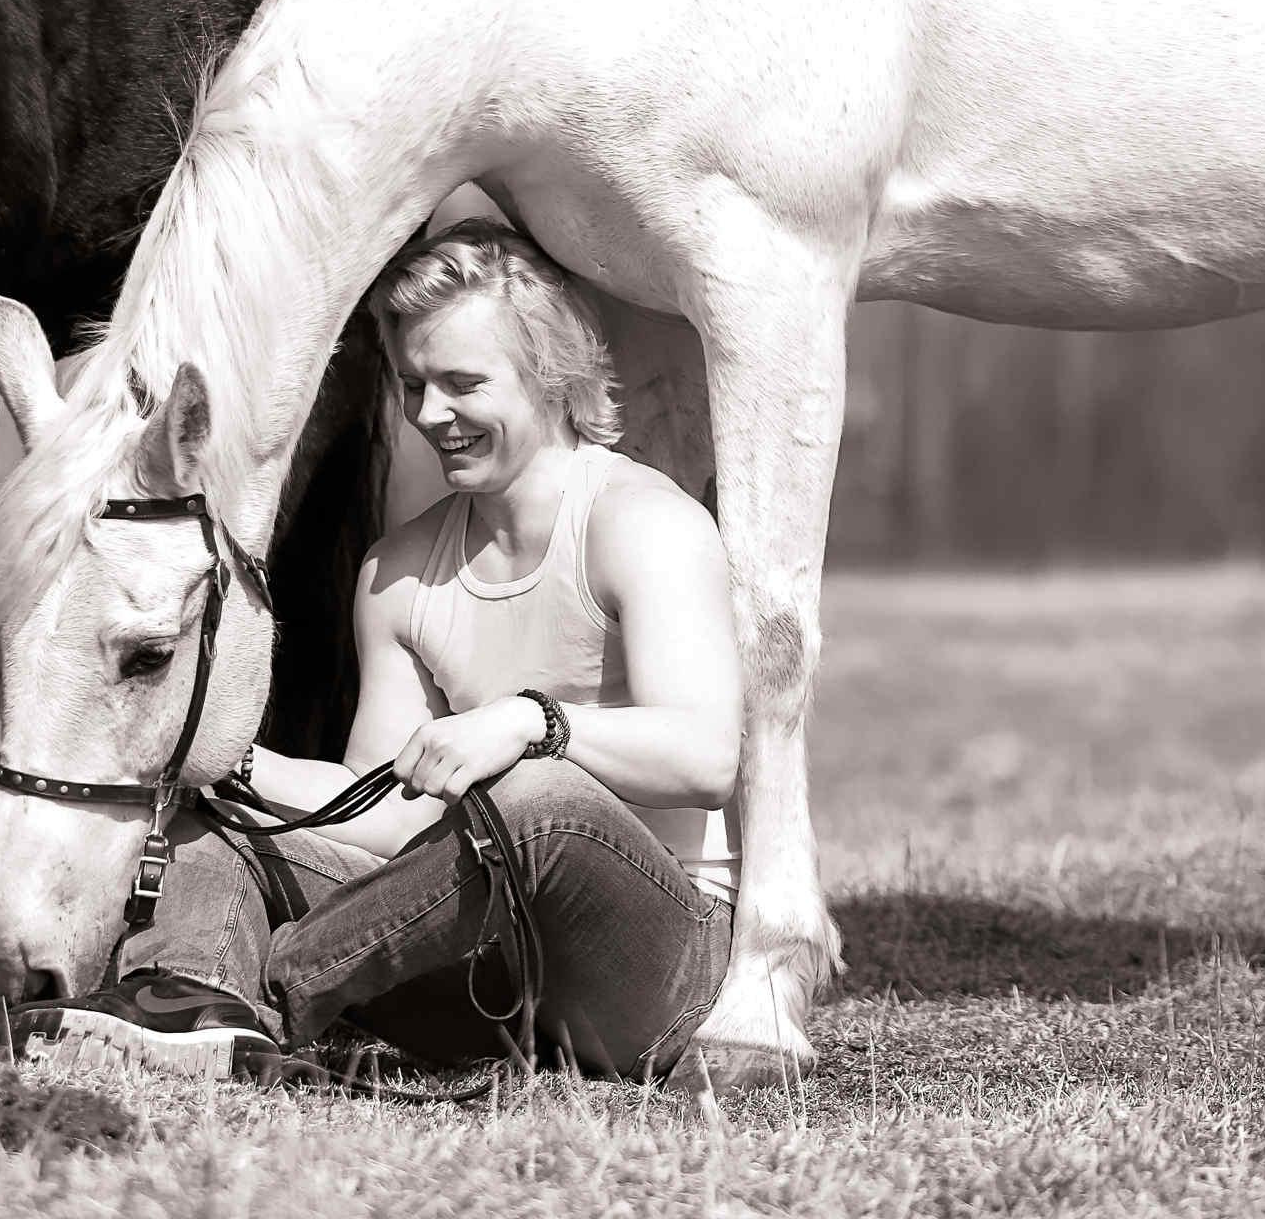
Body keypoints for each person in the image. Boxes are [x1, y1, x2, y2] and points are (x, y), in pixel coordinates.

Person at [46, 218, 743, 1081]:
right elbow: (383, 809)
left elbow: (707, 760)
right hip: (489, 984)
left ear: (551, 372)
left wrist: (530, 722)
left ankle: (278, 990)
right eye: (413, 384)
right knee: (218, 822)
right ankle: (185, 1003)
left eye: (462, 383)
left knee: (533, 796)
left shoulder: (646, 523)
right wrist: (231, 767)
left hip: (657, 971)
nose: (430, 414)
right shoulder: (396, 571)